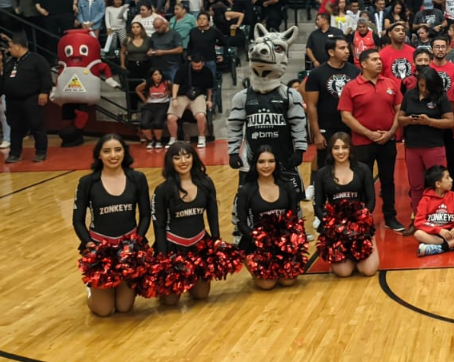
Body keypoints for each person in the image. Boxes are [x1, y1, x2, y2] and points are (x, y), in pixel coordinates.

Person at [72, 135, 151, 316]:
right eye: (106, 151)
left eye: (118, 150)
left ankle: (113, 289)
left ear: (125, 152)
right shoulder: (87, 182)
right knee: (105, 311)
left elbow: (146, 215)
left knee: (124, 308)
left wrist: (137, 240)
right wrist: (89, 243)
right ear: (99, 155)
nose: (113, 155)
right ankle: (93, 291)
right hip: (101, 250)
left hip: (128, 250)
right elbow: (77, 220)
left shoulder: (137, 178)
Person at [337, 48, 405, 232]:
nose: (379, 62)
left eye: (379, 59)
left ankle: (391, 217)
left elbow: (400, 110)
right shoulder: (351, 86)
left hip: (387, 141)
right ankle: (362, 218)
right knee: (361, 181)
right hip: (362, 143)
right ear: (364, 64)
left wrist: (390, 133)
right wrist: (369, 133)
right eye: (374, 59)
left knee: (388, 180)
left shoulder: (390, 83)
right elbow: (346, 116)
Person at [152, 142, 222, 305]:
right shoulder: (163, 190)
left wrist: (215, 241)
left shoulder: (206, 183)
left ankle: (189, 280)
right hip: (173, 247)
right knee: (169, 302)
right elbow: (159, 225)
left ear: (193, 158)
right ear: (170, 161)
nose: (183, 161)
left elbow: (212, 214)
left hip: (199, 245)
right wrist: (163, 257)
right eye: (177, 157)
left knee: (201, 295)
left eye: (187, 156)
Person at [311, 132, 380, 277]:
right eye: (336, 148)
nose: (340, 152)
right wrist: (331, 224)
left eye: (344, 147)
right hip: (337, 230)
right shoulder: (322, 173)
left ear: (350, 149)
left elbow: (371, 200)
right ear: (330, 150)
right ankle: (347, 257)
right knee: (344, 272)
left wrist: (362, 221)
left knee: (368, 271)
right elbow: (318, 205)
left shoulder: (362, 169)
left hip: (359, 226)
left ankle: (366, 246)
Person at [234, 147, 304, 289]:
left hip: (283, 242)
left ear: (277, 163)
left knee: (288, 281)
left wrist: (288, 240)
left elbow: (294, 217)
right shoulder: (246, 190)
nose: (266, 166)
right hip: (258, 243)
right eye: (261, 162)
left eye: (271, 161)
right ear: (255, 164)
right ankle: (252, 263)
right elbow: (241, 223)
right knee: (267, 284)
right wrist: (258, 239)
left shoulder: (287, 186)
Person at [399, 68, 454, 225]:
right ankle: (418, 220)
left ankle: (443, 219)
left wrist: (429, 121)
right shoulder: (410, 94)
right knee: (416, 185)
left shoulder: (441, 96)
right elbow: (400, 119)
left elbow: (450, 122)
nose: (423, 89)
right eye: (421, 85)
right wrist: (409, 119)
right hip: (412, 146)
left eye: (426, 86)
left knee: (439, 183)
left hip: (433, 146)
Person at [3, 33, 53, 164]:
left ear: (18, 47)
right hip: (13, 101)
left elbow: (46, 77)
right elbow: (4, 79)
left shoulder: (37, 60)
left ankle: (41, 152)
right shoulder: (10, 62)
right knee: (15, 127)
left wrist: (44, 92)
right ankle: (14, 153)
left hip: (31, 98)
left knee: (37, 126)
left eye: (11, 47)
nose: (9, 50)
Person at [413, 165, 454, 256]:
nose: (451, 180)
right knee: (418, 234)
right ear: (438, 184)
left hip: (453, 232)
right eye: (447, 178)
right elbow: (419, 221)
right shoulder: (425, 200)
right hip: (436, 234)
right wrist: (439, 230)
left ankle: (440, 248)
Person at [167, 54, 214, 149]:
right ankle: (173, 139)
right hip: (182, 95)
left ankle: (201, 137)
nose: (197, 68)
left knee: (201, 115)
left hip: (198, 95)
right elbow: (176, 84)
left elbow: (209, 88)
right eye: (195, 66)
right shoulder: (183, 69)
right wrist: (174, 98)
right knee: (171, 117)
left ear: (203, 63)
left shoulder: (207, 71)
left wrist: (209, 100)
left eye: (199, 66)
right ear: (191, 63)